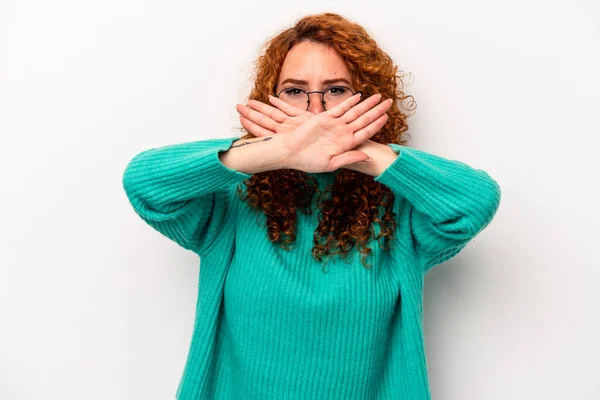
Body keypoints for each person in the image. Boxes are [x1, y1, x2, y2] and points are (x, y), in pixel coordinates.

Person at [122, 12, 501, 400]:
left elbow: (475, 200)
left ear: (367, 98)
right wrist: (274, 151)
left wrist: (358, 146)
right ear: (270, 99)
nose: (315, 112)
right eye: (295, 91)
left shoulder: (401, 211)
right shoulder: (231, 206)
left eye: (336, 90)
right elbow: (145, 183)